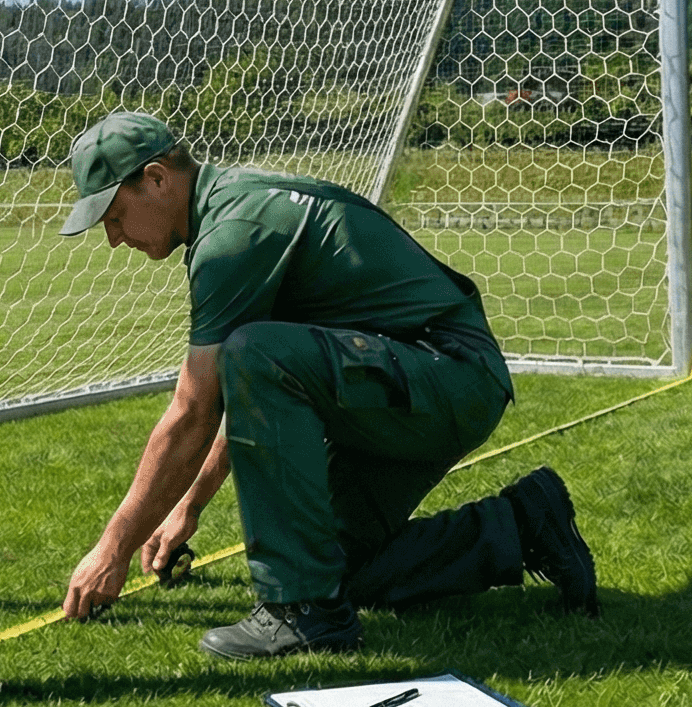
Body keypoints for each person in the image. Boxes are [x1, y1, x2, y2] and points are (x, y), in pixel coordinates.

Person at [53, 111, 599, 659]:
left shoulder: (233, 234)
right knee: (342, 569)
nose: (113, 238)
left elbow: (196, 410)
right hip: (420, 381)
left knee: (254, 353)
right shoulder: (236, 208)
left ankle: (301, 610)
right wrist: (188, 507)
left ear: (156, 178)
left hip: (446, 375)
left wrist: (112, 549)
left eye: (114, 214)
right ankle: (525, 521)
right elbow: (251, 400)